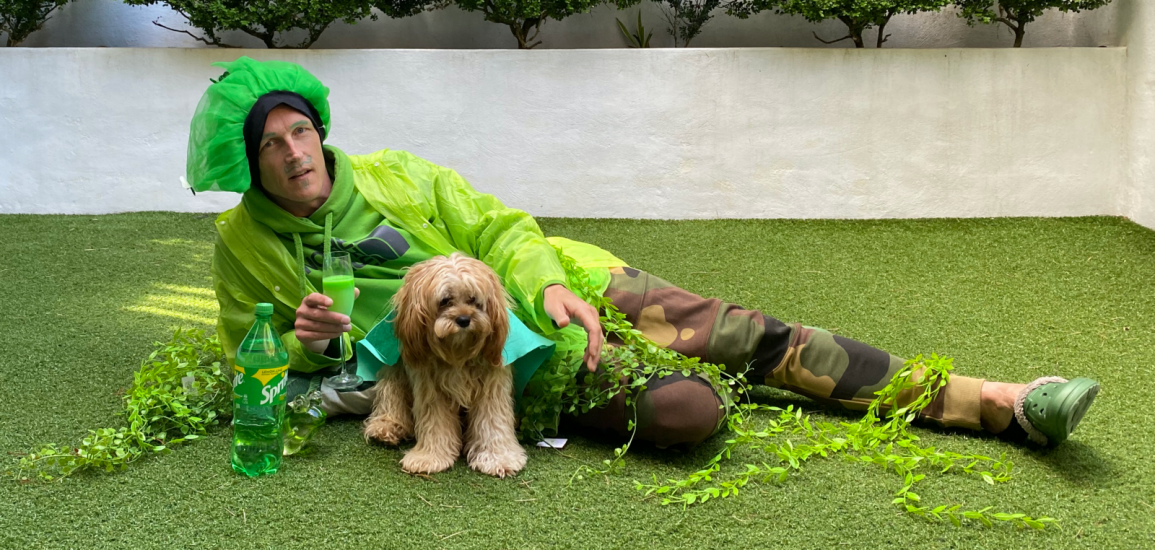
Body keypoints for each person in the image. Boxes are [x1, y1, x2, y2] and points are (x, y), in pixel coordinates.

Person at [194, 57, 1098, 451]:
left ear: (319, 127)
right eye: (270, 144)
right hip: (498, 377)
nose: (294, 152)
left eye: (300, 130)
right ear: (248, 161)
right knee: (686, 414)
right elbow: (253, 363)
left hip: (569, 289)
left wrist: (549, 288)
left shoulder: (395, 175)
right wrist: (312, 346)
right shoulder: (246, 245)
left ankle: (998, 402)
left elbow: (501, 225)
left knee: (752, 339)